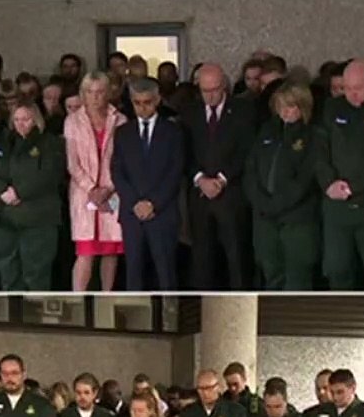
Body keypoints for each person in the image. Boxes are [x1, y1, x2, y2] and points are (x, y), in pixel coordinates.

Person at [314, 59, 364, 291]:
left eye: (358, 88)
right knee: (338, 271)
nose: (352, 94)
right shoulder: (332, 108)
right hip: (336, 205)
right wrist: (329, 183)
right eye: (347, 88)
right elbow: (319, 150)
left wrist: (354, 186)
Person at [184, 63, 256, 291]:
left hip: (231, 196)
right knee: (202, 261)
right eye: (205, 90)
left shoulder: (244, 110)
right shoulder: (189, 112)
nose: (210, 95)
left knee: (237, 260)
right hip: (200, 197)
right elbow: (183, 152)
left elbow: (247, 150)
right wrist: (200, 179)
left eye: (215, 89)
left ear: (224, 85)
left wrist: (222, 179)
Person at [244, 82, 319, 290]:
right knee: (271, 274)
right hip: (265, 219)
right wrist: (260, 201)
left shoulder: (313, 135)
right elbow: (251, 168)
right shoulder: (267, 131)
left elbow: (305, 178)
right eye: (280, 106)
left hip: (296, 219)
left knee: (297, 278)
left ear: (302, 107)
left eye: (291, 106)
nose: (285, 112)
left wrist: (277, 204)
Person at [110, 77, 183, 291]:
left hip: (162, 213)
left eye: (147, 102)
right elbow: (117, 171)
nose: (142, 108)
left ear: (158, 99)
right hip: (132, 214)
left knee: (165, 273)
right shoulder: (123, 133)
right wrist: (134, 202)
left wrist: (153, 203)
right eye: (137, 103)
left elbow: (175, 172)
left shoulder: (173, 132)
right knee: (133, 273)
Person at [0, 101, 66, 291]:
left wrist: (19, 192)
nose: (21, 124)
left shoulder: (50, 143)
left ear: (36, 120)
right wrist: (2, 190)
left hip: (37, 220)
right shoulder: (2, 142)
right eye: (17, 119)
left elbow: (50, 175)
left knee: (36, 275)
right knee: (8, 274)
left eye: (26, 119)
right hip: (5, 218)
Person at [65, 71, 126, 292]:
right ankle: (78, 296)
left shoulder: (119, 119)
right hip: (84, 193)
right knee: (86, 252)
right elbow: (73, 163)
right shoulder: (72, 121)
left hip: (112, 192)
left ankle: (107, 294)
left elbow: (123, 160)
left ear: (109, 93)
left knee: (110, 251)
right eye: (90, 92)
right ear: (83, 94)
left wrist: (108, 189)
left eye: (100, 92)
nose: (95, 97)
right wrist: (92, 189)